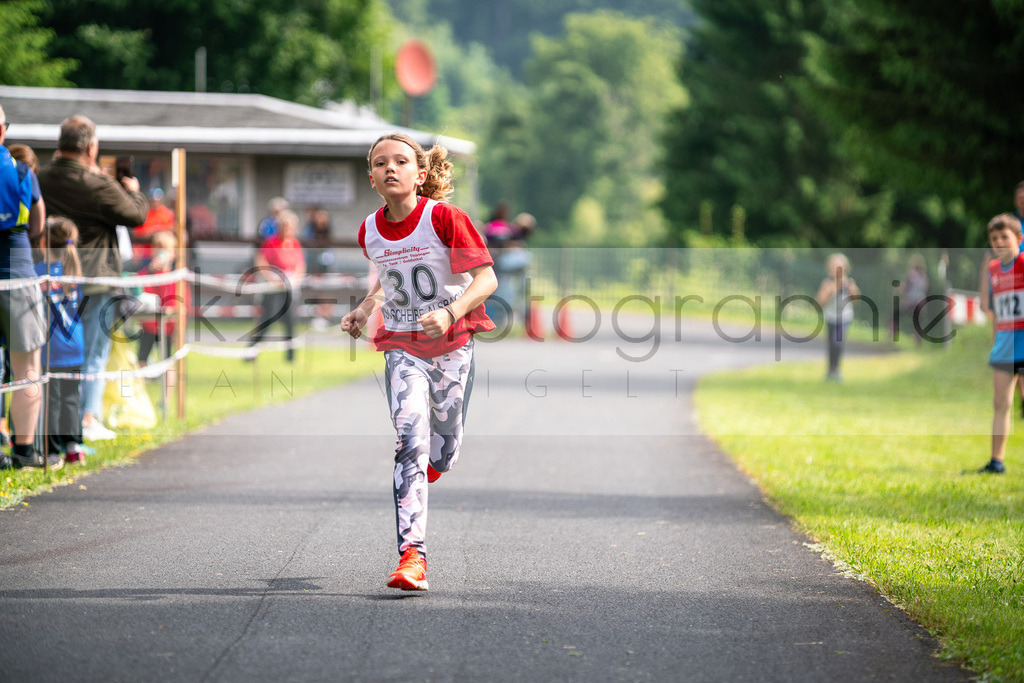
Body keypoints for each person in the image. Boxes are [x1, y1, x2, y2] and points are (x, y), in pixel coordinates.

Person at [341, 133, 497, 591]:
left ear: (420, 174)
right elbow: (389, 281)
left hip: (453, 344)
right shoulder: (369, 230)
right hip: (402, 346)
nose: (391, 168)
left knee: (443, 449)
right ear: (371, 178)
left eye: (401, 161)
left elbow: (485, 278)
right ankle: (412, 556)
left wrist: (450, 311)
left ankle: (433, 462)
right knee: (411, 437)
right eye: (380, 163)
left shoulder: (445, 219)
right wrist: (365, 309)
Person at [36, 115, 148, 442]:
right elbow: (135, 215)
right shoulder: (97, 184)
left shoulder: (41, 179)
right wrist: (133, 190)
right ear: (91, 147)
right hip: (96, 279)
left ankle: (53, 424)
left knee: (54, 354)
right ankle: (87, 419)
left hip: (53, 277)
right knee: (93, 354)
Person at [0, 104, 54, 470]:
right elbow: (37, 225)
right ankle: (24, 450)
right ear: (3, 130)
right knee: (27, 367)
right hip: (17, 271)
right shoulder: (22, 171)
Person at [34, 217, 86, 465]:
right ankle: (73, 448)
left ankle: (52, 452)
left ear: (43, 241)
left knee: (52, 400)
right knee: (71, 398)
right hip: (75, 345)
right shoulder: (74, 272)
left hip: (51, 348)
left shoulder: (37, 273)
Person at [978, 213, 1024, 475]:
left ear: (1018, 238)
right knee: (1000, 403)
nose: (999, 242)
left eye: (1004, 237)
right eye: (994, 239)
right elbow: (995, 309)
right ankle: (996, 461)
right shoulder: (994, 268)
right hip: (1005, 344)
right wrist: (996, 340)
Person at [250, 209, 305, 362]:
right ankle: (252, 351)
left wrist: (296, 280)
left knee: (291, 321)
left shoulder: (295, 243)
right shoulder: (271, 242)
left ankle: (290, 355)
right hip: (272, 288)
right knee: (266, 320)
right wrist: (271, 279)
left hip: (289, 288)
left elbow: (300, 264)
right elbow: (261, 262)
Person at [136, 231, 186, 366]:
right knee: (142, 359)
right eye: (158, 249)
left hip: (167, 326)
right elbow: (138, 287)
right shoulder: (148, 273)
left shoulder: (175, 277)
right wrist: (151, 269)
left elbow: (178, 300)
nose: (161, 253)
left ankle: (168, 385)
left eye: (166, 250)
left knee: (167, 361)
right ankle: (142, 384)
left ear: (173, 254)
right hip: (149, 325)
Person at [815, 253, 859, 383]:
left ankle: (836, 369)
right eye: (834, 267)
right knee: (831, 344)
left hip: (844, 317)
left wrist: (851, 288)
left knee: (837, 341)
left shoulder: (849, 282)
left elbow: (856, 300)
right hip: (830, 318)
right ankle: (830, 369)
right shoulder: (827, 283)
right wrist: (830, 291)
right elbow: (819, 302)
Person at [890, 253, 929, 344]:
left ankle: (892, 335)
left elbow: (905, 289)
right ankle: (918, 342)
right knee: (918, 323)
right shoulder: (925, 277)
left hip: (910, 302)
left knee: (894, 315)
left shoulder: (911, 274)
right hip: (921, 304)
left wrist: (899, 289)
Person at [132, 188, 175, 261]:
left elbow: (171, 229)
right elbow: (137, 233)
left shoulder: (167, 213)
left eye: (156, 200)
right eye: (152, 200)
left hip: (161, 251)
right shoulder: (145, 213)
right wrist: (150, 231)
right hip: (145, 251)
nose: (154, 202)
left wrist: (157, 230)